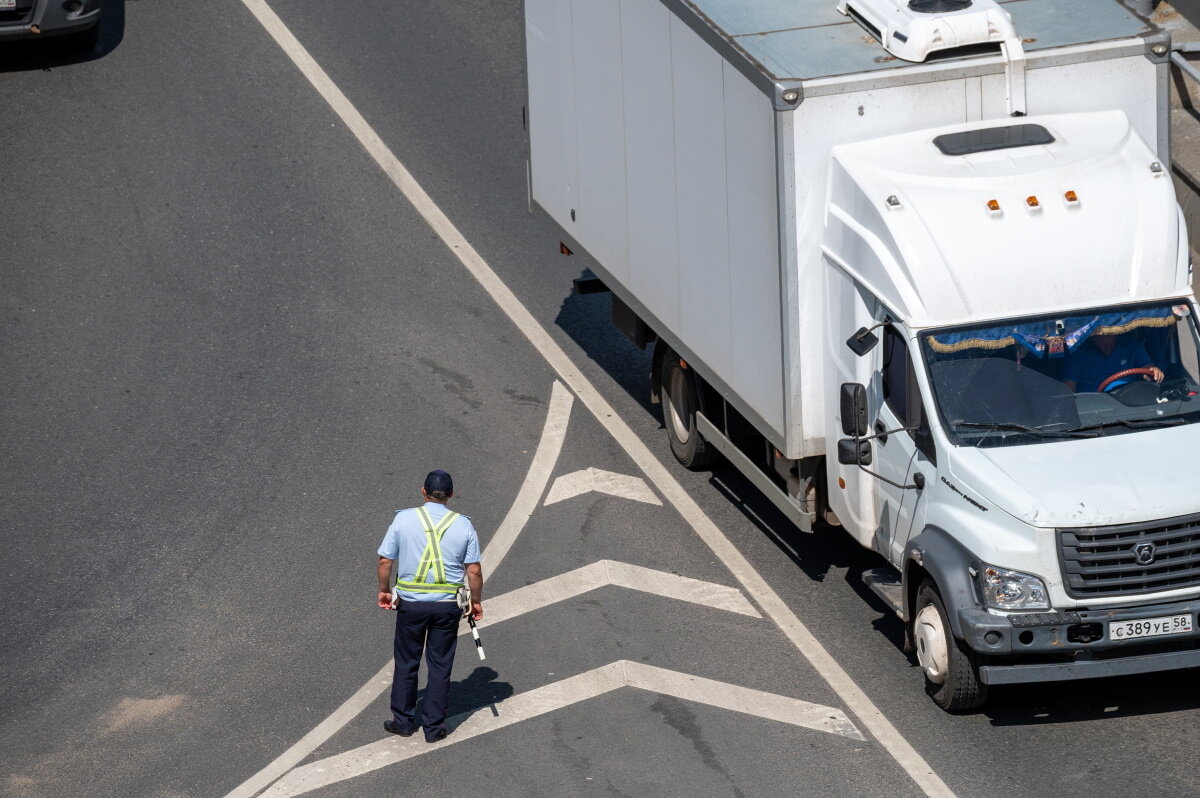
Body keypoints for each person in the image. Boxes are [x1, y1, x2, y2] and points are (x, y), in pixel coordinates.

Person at [376, 469, 483, 742]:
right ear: (451, 495)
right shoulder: (464, 525)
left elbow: (385, 561)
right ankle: (434, 729)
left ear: (423, 492)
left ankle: (402, 721)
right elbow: (474, 572)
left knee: (407, 662)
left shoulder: (403, 519)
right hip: (447, 607)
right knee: (439, 666)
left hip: (410, 605)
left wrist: (384, 590)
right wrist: (476, 601)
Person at [1062, 332, 1164, 393]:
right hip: (1095, 406)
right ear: (1092, 335)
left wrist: (1154, 371)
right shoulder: (1078, 354)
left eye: (1110, 332)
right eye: (1102, 333)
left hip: (1130, 398)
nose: (1107, 336)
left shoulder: (1132, 346)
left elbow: (1147, 369)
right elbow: (1069, 386)